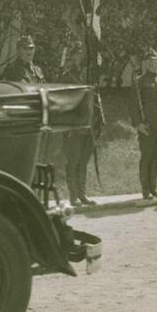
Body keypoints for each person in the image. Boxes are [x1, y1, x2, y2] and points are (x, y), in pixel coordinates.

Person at [129, 47, 157, 200]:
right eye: (149, 61)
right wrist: (137, 124)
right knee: (147, 157)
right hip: (147, 125)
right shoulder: (139, 81)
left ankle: (154, 189)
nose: (151, 64)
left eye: (154, 60)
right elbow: (133, 104)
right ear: (146, 63)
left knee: (156, 157)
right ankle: (145, 190)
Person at [59, 41, 97, 206]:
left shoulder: (88, 75)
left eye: (82, 55)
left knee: (83, 161)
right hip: (74, 126)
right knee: (73, 161)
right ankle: (73, 196)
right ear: (72, 56)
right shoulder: (66, 76)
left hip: (88, 125)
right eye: (77, 54)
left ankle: (82, 194)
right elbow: (63, 103)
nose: (80, 58)